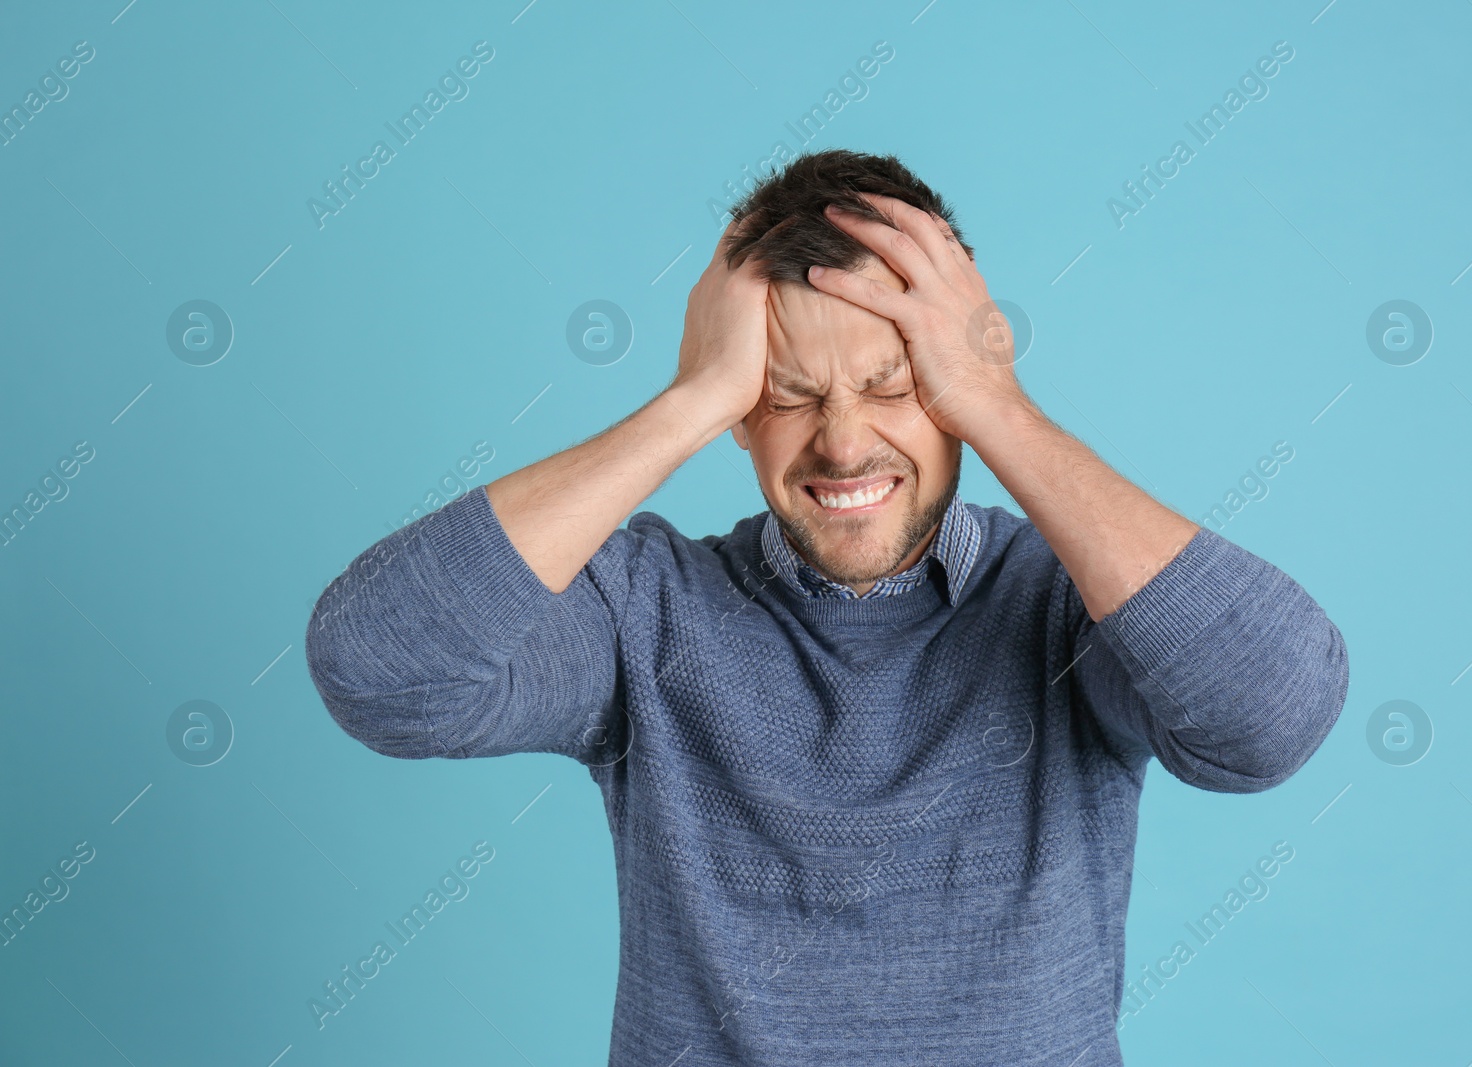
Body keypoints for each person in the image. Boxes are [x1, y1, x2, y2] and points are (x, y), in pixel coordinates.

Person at [305, 148, 1348, 1066]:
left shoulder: (1067, 602)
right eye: (790, 395)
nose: (843, 444)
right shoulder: (643, 612)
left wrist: (998, 403)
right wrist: (687, 400)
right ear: (741, 417)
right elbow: (379, 671)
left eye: (896, 386)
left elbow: (1271, 717)